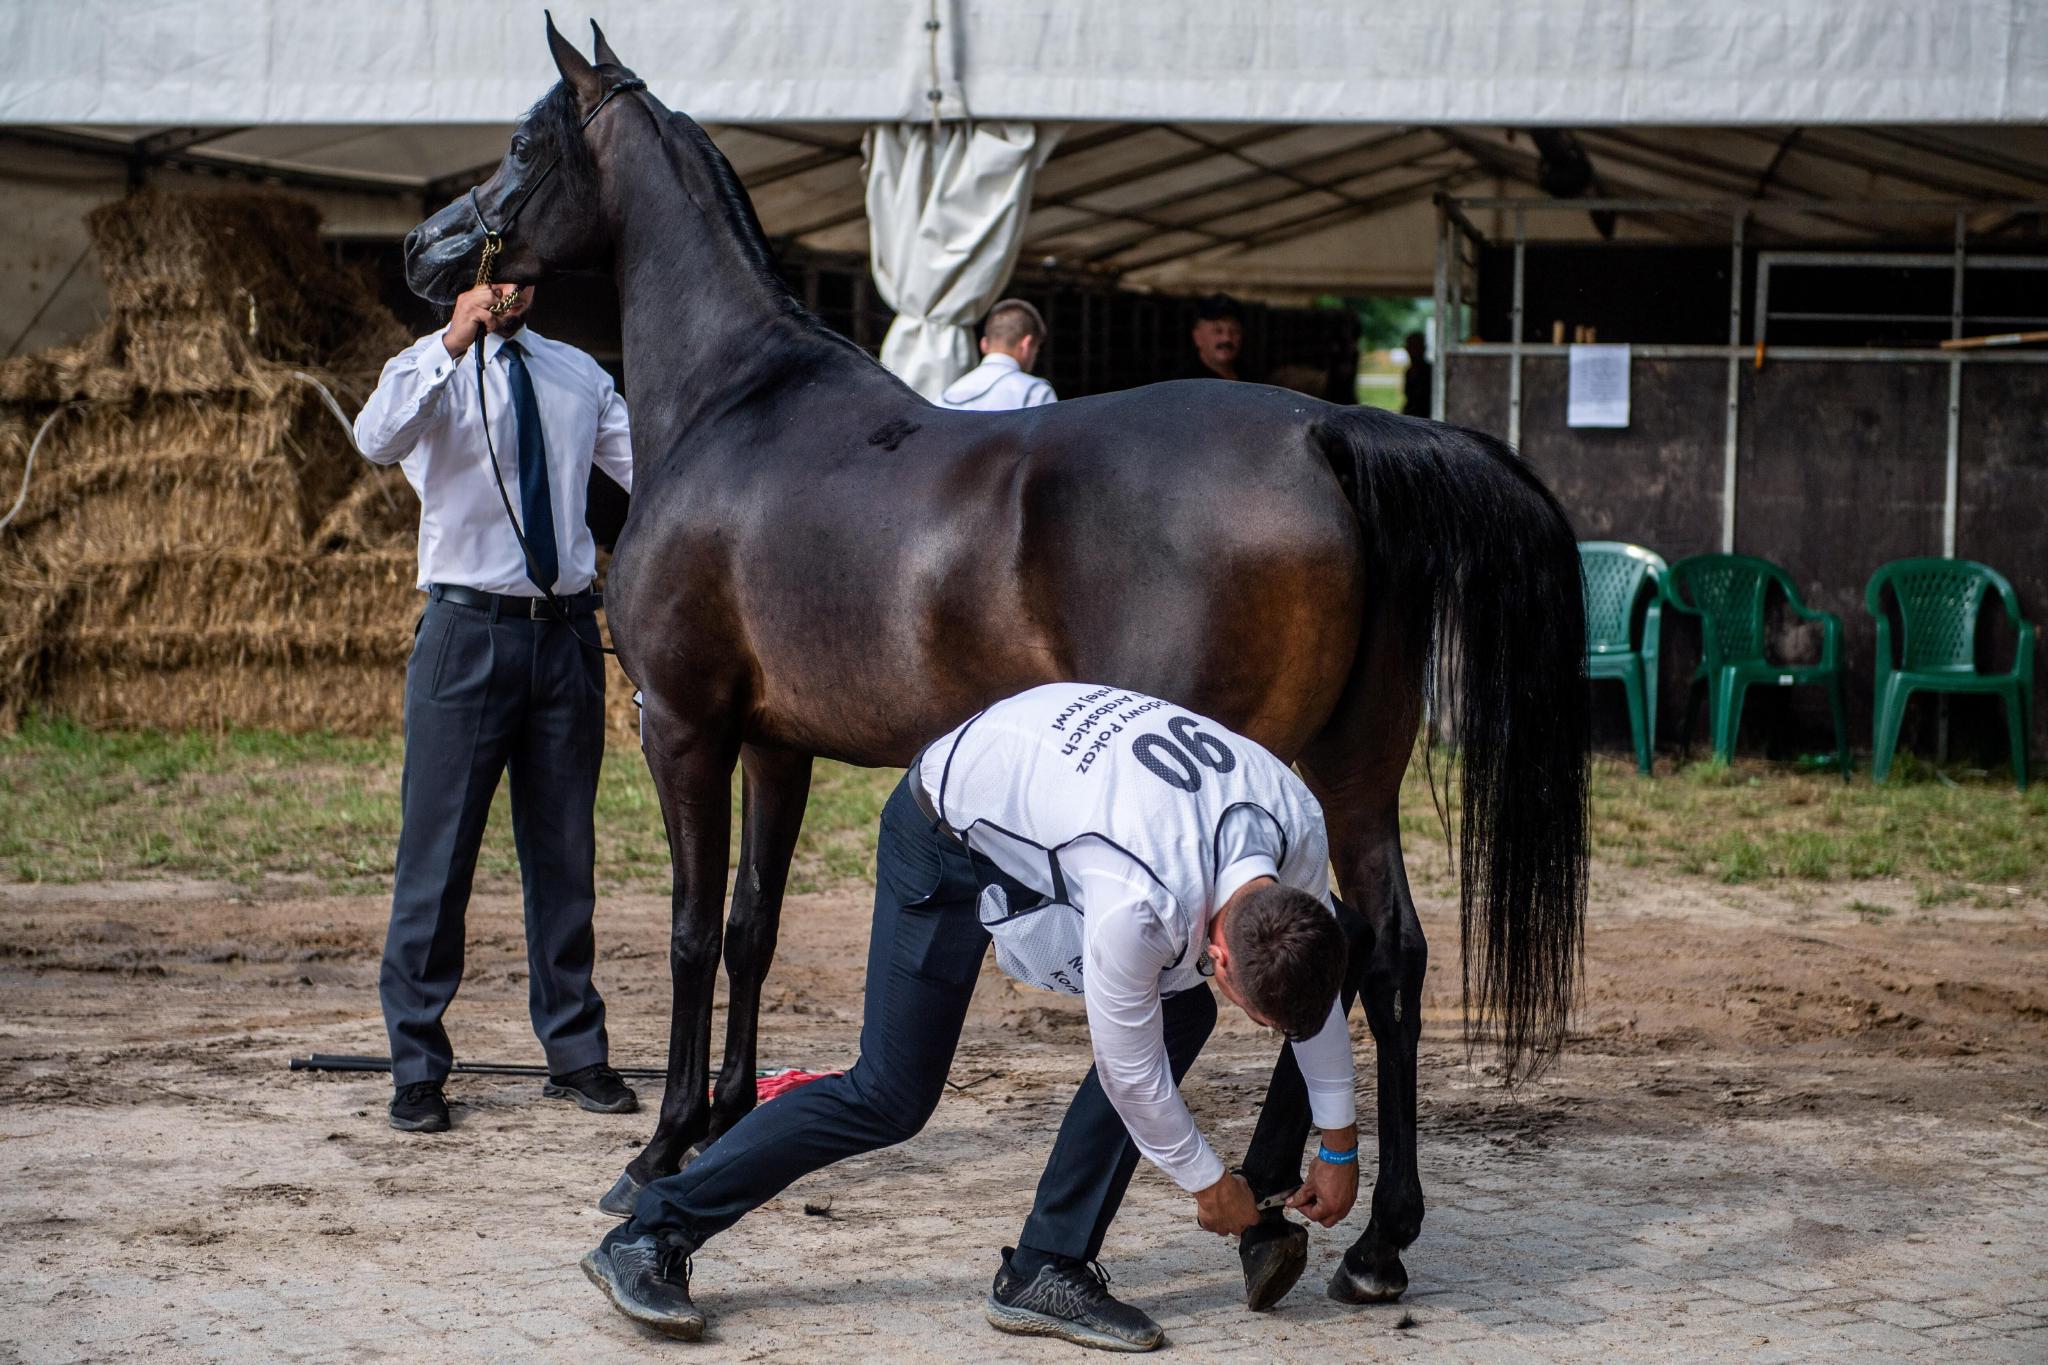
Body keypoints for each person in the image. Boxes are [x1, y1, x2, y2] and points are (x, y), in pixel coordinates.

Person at [583, 682, 1371, 1349]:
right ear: (1226, 957)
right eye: (1258, 1017)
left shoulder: (1295, 827)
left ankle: (1044, 1268)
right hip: (945, 828)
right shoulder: (1136, 903)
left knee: (1179, 1010)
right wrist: (1207, 1181)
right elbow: (1130, 1073)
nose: (1266, 1030)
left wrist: (1339, 1141)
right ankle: (652, 1229)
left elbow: (1306, 1005)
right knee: (890, 1094)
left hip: (1056, 787)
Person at [353, 281, 638, 1134]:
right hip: (465, 629)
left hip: (565, 637)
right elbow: (375, 440)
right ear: (470, 283)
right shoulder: (428, 368)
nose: (510, 292)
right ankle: (417, 1065)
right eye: (494, 277)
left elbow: (652, 465)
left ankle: (575, 1050)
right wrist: (448, 344)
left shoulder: (577, 372)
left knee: (564, 852)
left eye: (523, 277)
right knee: (436, 858)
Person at [937, 298, 1057, 411]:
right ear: (1026, 344)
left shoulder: (946, 396)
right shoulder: (1035, 393)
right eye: (1036, 349)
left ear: (984, 344)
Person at [1180, 293, 1251, 382]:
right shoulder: (1186, 383)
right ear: (1197, 336)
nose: (1227, 338)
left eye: (1234, 331)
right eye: (1218, 331)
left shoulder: (1250, 378)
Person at [1401, 330, 1433, 417]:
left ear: (1423, 348)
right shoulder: (1409, 371)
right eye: (1411, 347)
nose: (1413, 351)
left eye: (1416, 347)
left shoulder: (1430, 372)